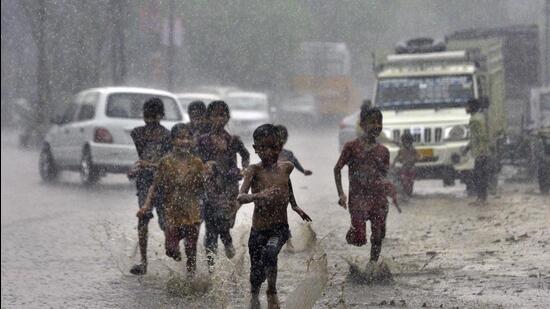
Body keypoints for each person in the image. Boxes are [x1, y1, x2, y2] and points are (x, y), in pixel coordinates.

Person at [238, 124, 311, 309]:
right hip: (258, 230)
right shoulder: (253, 171)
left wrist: (294, 205)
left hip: (280, 227)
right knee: (255, 273)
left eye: (273, 147)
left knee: (271, 253)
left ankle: (272, 290)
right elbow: (241, 196)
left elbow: (287, 183)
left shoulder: (287, 167)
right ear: (255, 149)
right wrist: (259, 196)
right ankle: (254, 296)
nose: (268, 152)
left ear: (280, 146)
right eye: (262, 148)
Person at [137, 124, 210, 277]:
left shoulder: (197, 163)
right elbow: (155, 186)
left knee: (191, 250)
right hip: (172, 214)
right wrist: (145, 206)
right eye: (180, 137)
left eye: (188, 138)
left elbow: (204, 186)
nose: (184, 141)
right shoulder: (165, 163)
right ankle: (178, 260)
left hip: (192, 213)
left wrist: (208, 176)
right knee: (171, 250)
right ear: (172, 141)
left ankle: (190, 282)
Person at [334, 106, 401, 263]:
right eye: (372, 122)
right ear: (362, 125)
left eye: (380, 122)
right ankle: (354, 231)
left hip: (378, 198)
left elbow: (385, 174)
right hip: (357, 199)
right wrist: (341, 194)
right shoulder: (351, 147)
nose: (377, 126)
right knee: (359, 239)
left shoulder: (384, 151)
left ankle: (372, 266)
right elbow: (337, 169)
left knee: (377, 236)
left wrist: (391, 189)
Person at [197, 101, 250, 268]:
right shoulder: (202, 140)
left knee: (222, 219)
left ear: (228, 118)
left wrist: (245, 169)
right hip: (209, 187)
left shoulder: (233, 140)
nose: (219, 119)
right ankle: (212, 269)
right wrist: (203, 167)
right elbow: (196, 160)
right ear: (208, 117)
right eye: (215, 115)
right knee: (211, 226)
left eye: (223, 115)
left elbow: (245, 155)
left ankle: (226, 240)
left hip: (229, 187)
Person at [128, 98, 171, 275]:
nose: (151, 120)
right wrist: (136, 169)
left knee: (165, 222)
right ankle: (144, 262)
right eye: (147, 116)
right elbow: (141, 159)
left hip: (162, 181)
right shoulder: (137, 133)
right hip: (145, 180)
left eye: (154, 116)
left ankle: (172, 248)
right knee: (143, 217)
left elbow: (166, 163)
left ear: (161, 116)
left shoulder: (168, 136)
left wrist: (148, 164)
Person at [464, 98, 491, 205]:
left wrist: (481, 152)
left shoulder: (475, 120)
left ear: (472, 107)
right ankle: (482, 198)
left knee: (479, 176)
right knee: (481, 175)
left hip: (481, 153)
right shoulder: (479, 117)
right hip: (482, 151)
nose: (465, 108)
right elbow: (475, 138)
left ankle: (481, 198)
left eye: (467, 106)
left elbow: (480, 137)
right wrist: (468, 148)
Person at [391, 132, 420, 197]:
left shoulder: (413, 149)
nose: (407, 144)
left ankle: (409, 193)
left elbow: (419, 156)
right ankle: (406, 191)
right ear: (403, 142)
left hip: (412, 168)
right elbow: (397, 157)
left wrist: (415, 158)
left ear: (411, 142)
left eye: (408, 142)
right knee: (405, 181)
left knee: (411, 182)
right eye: (405, 142)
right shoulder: (401, 150)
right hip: (404, 168)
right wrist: (393, 165)